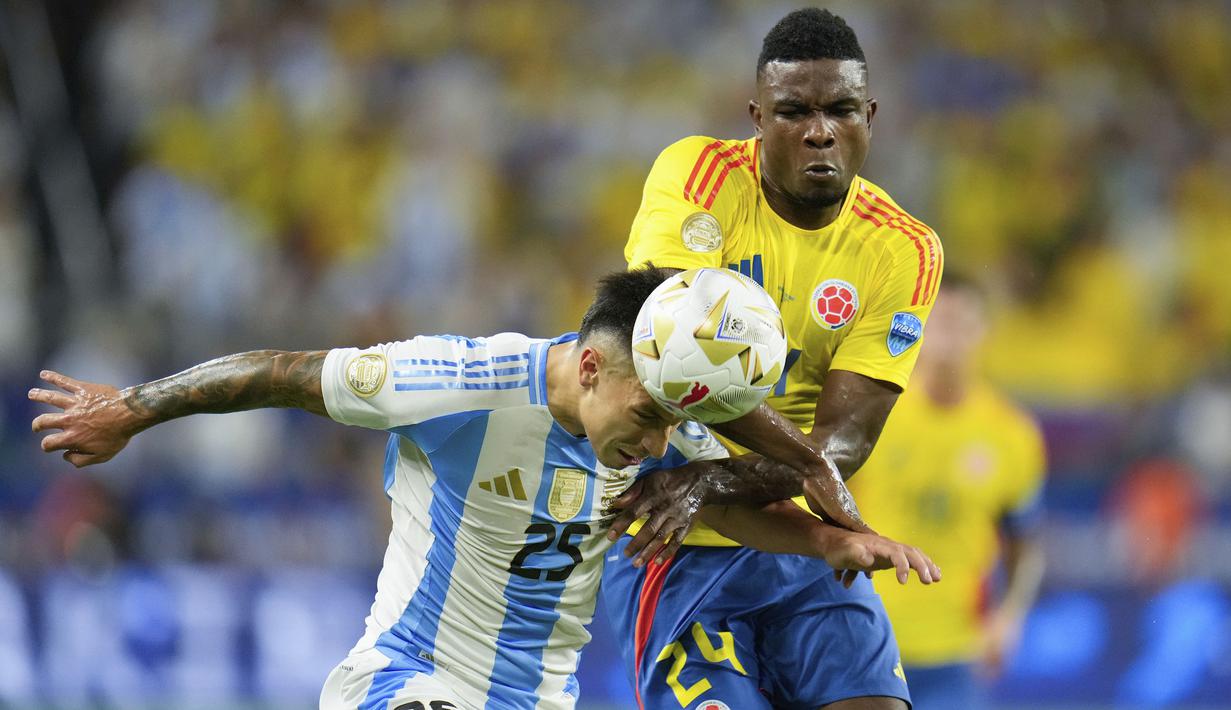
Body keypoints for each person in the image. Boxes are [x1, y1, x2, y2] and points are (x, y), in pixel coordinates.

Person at [29, 266, 938, 710]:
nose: (661, 446)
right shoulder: (460, 380)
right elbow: (281, 372)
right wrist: (135, 408)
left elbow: (736, 507)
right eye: (647, 416)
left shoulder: (649, 425)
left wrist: (831, 541)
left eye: (673, 424)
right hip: (409, 680)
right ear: (589, 365)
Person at [601, 8, 944, 710]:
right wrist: (752, 476)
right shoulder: (698, 176)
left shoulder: (904, 249)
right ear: (756, 116)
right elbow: (675, 353)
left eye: (841, 109)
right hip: (678, 547)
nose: (819, 131)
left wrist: (713, 482)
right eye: (793, 111)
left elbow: (843, 441)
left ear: (869, 116)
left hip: (803, 541)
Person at [849, 276, 1046, 710]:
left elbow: (1024, 542)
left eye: (961, 324)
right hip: (866, 636)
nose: (948, 339)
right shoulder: (875, 413)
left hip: (956, 649)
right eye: (938, 323)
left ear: (983, 333)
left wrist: (1009, 617)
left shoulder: (1011, 434)